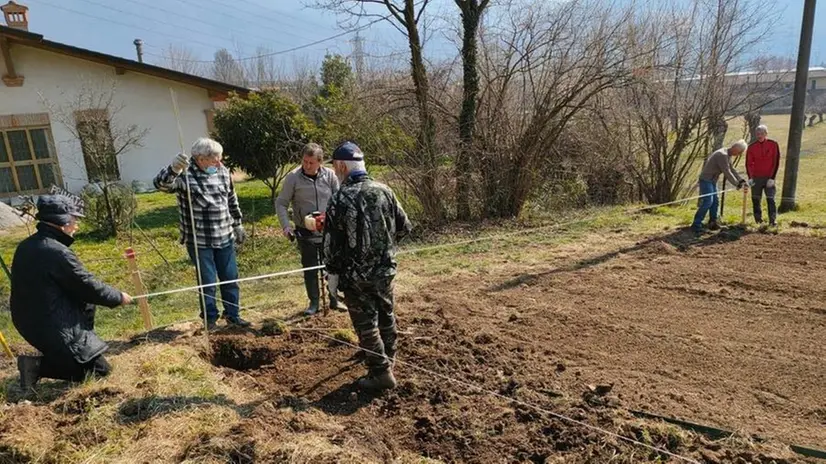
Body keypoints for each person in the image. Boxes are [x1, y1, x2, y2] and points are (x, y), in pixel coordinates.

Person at [11, 195, 133, 390]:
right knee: (99, 371)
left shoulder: (27, 245)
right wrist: (118, 297)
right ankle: (35, 367)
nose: (76, 225)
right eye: (74, 220)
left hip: (30, 320)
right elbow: (86, 285)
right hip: (51, 323)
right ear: (62, 223)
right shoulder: (56, 252)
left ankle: (59, 356)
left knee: (83, 358)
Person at [323, 141, 412, 391]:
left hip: (355, 275)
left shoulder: (340, 198)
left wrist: (332, 272)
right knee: (386, 313)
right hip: (385, 270)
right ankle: (388, 358)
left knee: (365, 323)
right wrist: (383, 248)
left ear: (342, 166)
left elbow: (331, 243)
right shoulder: (385, 190)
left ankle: (381, 372)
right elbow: (404, 227)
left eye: (336, 168)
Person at [154, 137, 249, 330]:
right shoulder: (185, 176)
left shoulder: (222, 172)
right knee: (207, 282)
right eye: (214, 158)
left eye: (219, 158)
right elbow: (161, 185)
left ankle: (233, 315)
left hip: (224, 235)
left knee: (230, 278)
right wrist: (173, 169)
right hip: (200, 240)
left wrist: (237, 223)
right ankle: (210, 320)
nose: (219, 162)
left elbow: (231, 198)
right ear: (200, 158)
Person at [275, 143, 343, 315]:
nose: (306, 165)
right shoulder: (293, 178)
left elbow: (339, 199)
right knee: (310, 267)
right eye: (304, 161)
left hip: (328, 228)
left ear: (320, 162)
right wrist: (286, 226)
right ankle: (314, 303)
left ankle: (335, 299)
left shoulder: (330, 176)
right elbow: (281, 203)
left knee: (333, 266)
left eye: (311, 162)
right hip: (305, 230)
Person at [692, 139, 749, 234]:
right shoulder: (722, 155)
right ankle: (696, 224)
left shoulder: (727, 154)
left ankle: (713, 222)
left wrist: (741, 180)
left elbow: (732, 169)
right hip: (706, 180)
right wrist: (736, 184)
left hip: (712, 180)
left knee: (715, 201)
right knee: (708, 201)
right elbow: (727, 172)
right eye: (739, 152)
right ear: (735, 148)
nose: (739, 155)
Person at [746, 125, 781, 226]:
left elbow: (776, 161)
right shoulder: (751, 147)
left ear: (766, 134)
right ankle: (758, 221)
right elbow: (748, 163)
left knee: (771, 199)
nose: (759, 135)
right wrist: (750, 178)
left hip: (769, 177)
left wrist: (772, 178)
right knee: (756, 200)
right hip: (756, 178)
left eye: (761, 133)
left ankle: (773, 221)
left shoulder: (773, 144)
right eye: (757, 134)